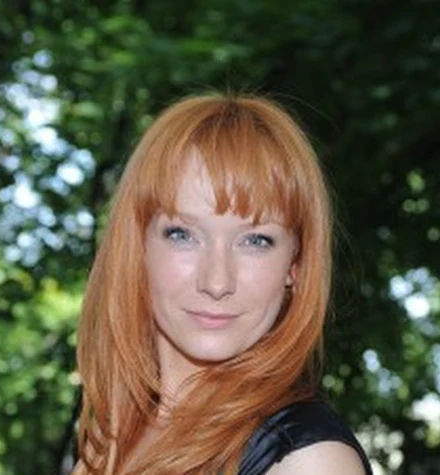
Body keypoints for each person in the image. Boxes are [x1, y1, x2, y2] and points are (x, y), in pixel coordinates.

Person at [71, 93, 372, 474]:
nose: (217, 282)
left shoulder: (308, 462)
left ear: (295, 265)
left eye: (255, 241)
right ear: (138, 248)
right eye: (183, 235)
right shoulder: (113, 439)